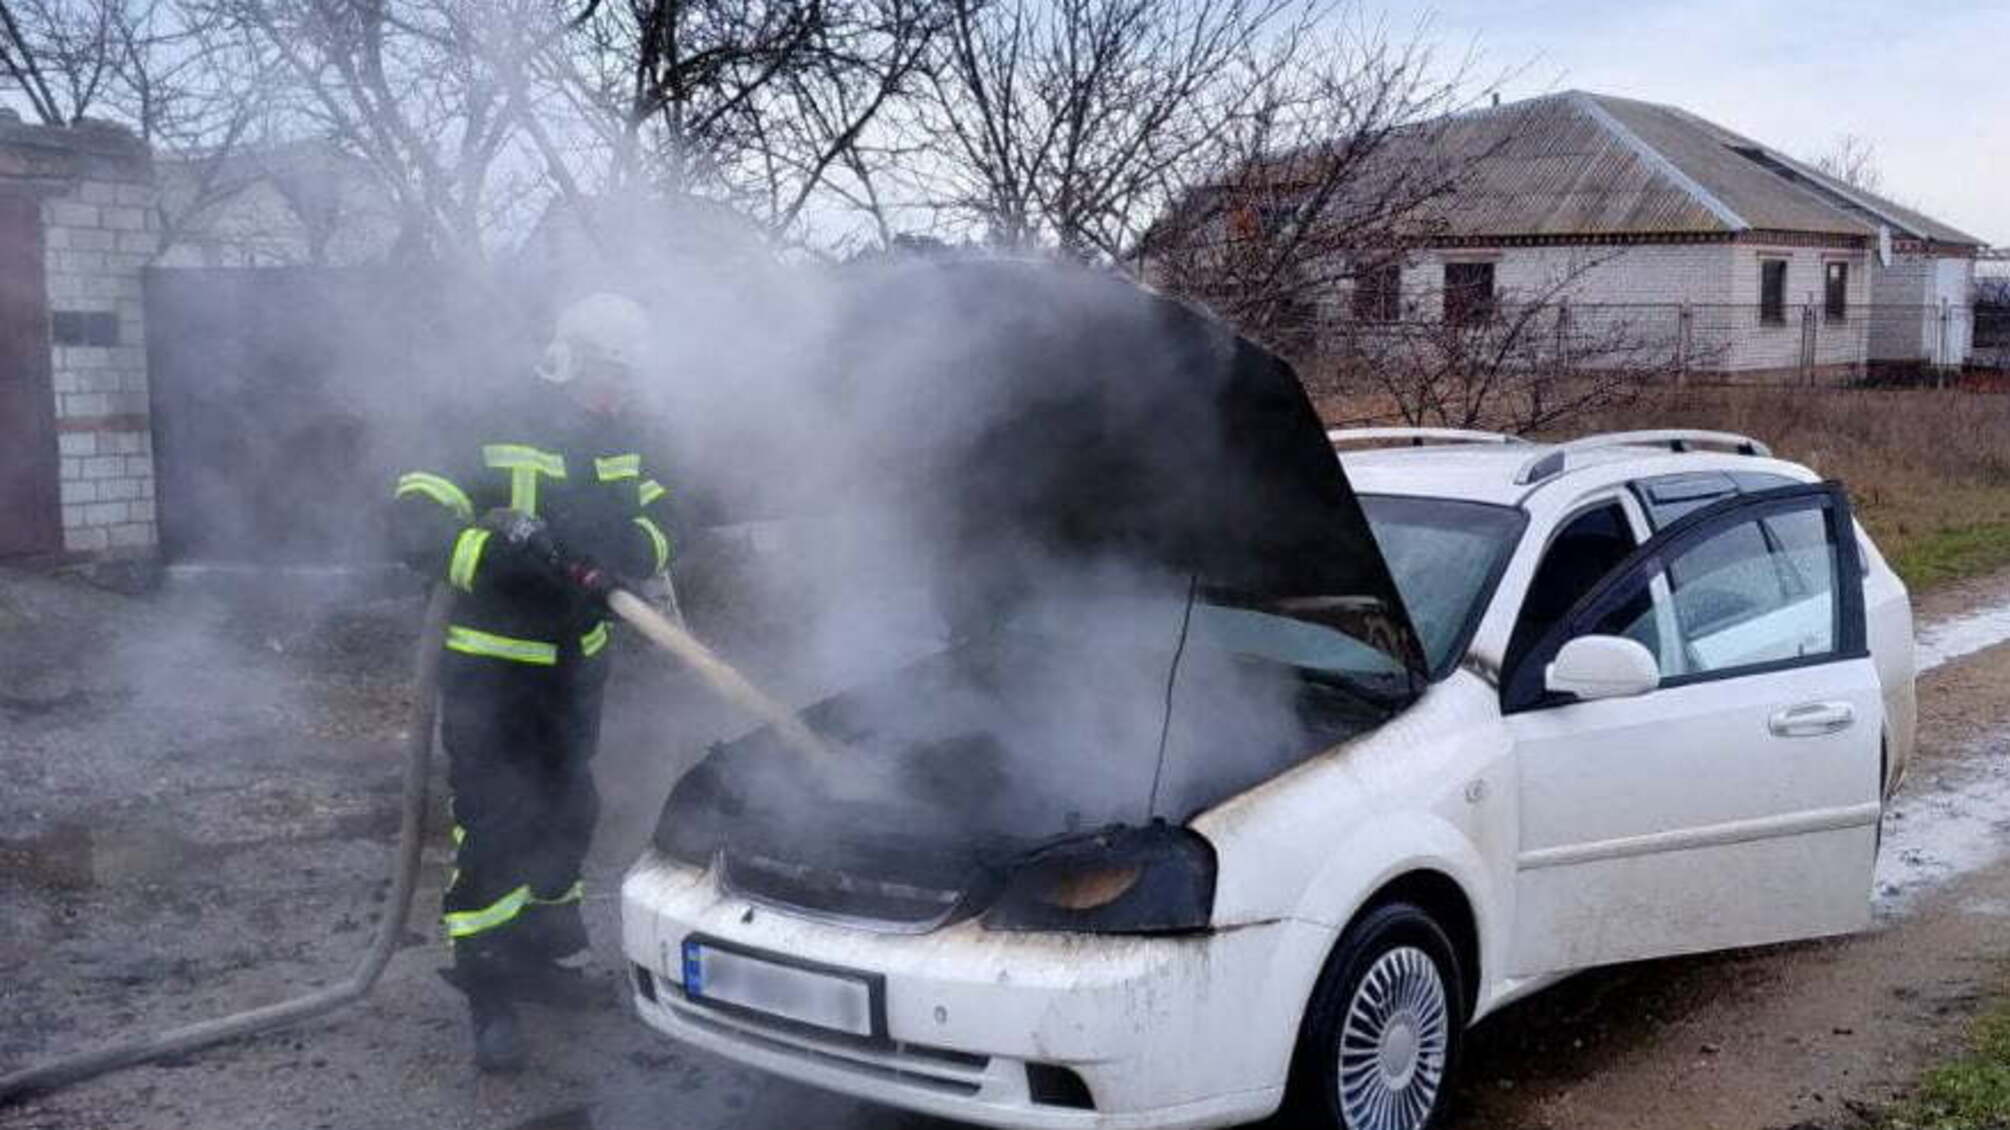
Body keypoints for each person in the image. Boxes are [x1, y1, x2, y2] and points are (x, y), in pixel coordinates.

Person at [389, 292, 675, 1073]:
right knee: (496, 820)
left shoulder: (622, 433)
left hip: (578, 663)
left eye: (625, 377)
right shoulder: (490, 416)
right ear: (566, 358)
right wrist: (494, 551)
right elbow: (413, 520)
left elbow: (662, 515)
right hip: (493, 665)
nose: (614, 391)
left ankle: (545, 958)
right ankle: (489, 988)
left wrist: (635, 547)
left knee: (569, 805)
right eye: (604, 373)